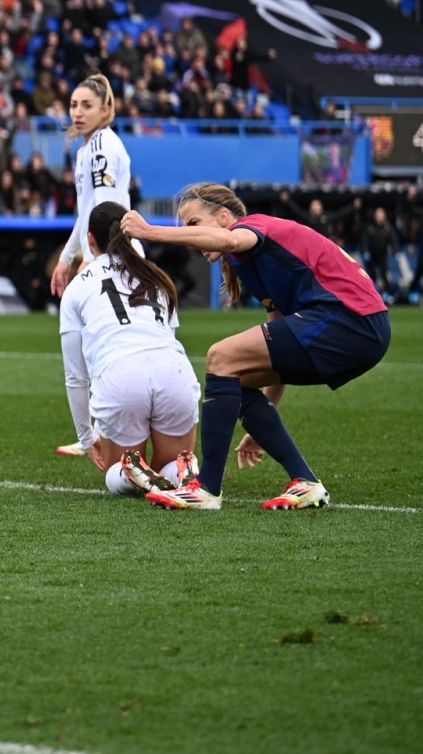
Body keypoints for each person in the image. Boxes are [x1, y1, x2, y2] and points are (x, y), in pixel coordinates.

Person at [122, 183, 391, 511]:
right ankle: (305, 481)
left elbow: (231, 239)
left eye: (193, 223)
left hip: (349, 319)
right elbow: (278, 339)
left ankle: (206, 489)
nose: (189, 234)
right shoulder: (249, 265)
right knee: (239, 377)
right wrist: (267, 419)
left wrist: (151, 232)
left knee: (221, 356)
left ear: (223, 217)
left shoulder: (252, 227)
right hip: (361, 326)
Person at [59, 202, 199, 497]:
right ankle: (181, 469)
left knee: (115, 473)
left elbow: (75, 376)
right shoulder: (157, 277)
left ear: (90, 239)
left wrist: (86, 438)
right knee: (169, 466)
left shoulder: (76, 288)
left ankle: (129, 473)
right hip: (173, 372)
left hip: (120, 377)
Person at [50, 74, 132, 458]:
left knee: (102, 346)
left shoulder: (100, 148)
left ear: (106, 109)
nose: (78, 112)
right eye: (74, 105)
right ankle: (101, 429)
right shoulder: (87, 149)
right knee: (97, 345)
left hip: (114, 257)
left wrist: (90, 258)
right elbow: (86, 214)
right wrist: (68, 258)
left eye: (87, 105)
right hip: (105, 255)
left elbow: (102, 211)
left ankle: (105, 432)